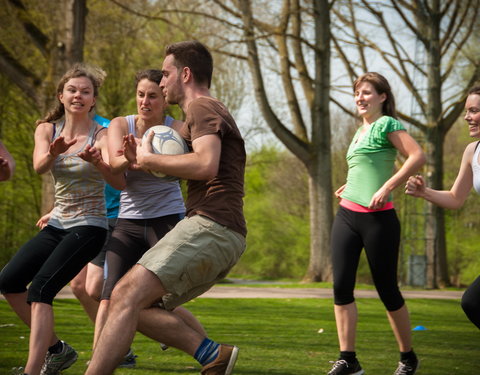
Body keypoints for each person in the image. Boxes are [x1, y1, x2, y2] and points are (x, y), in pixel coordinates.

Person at [85, 40, 247, 375]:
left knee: (125, 293)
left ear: (185, 74)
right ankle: (211, 355)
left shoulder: (202, 107)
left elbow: (206, 165)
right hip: (217, 230)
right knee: (130, 303)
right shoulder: (193, 118)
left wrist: (146, 158)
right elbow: (181, 162)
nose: (161, 83)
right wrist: (140, 162)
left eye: (167, 74)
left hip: (212, 225)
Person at [0, 63, 125, 375]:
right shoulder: (46, 129)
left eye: (85, 91)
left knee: (41, 289)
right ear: (61, 95)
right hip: (58, 224)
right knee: (9, 281)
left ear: (93, 99)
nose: (78, 95)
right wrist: (54, 152)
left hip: (91, 225)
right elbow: (40, 167)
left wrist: (99, 162)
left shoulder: (103, 133)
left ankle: (32, 371)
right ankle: (57, 350)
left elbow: (118, 181)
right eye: (72, 90)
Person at [92, 69, 206, 365]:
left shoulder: (179, 128)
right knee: (108, 295)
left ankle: (211, 355)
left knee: (161, 300)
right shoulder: (121, 124)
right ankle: (97, 362)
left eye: (153, 96)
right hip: (128, 222)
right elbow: (116, 168)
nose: (145, 101)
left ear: (164, 99)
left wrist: (148, 160)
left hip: (167, 219)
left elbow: (192, 166)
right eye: (141, 95)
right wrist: (132, 159)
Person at [328, 72, 425, 375]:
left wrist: (387, 187)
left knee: (387, 290)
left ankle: (408, 358)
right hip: (346, 214)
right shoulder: (360, 130)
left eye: (367, 92)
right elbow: (367, 166)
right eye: (357, 92)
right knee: (341, 287)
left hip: (379, 220)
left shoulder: (388, 124)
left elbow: (417, 155)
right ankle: (348, 359)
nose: (360, 98)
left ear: (382, 97)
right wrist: (349, 185)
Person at [405, 85, 480, 331]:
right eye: (466, 111)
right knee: (473, 303)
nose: (467, 117)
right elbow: (456, 198)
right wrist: (424, 192)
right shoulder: (472, 151)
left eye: (474, 111)